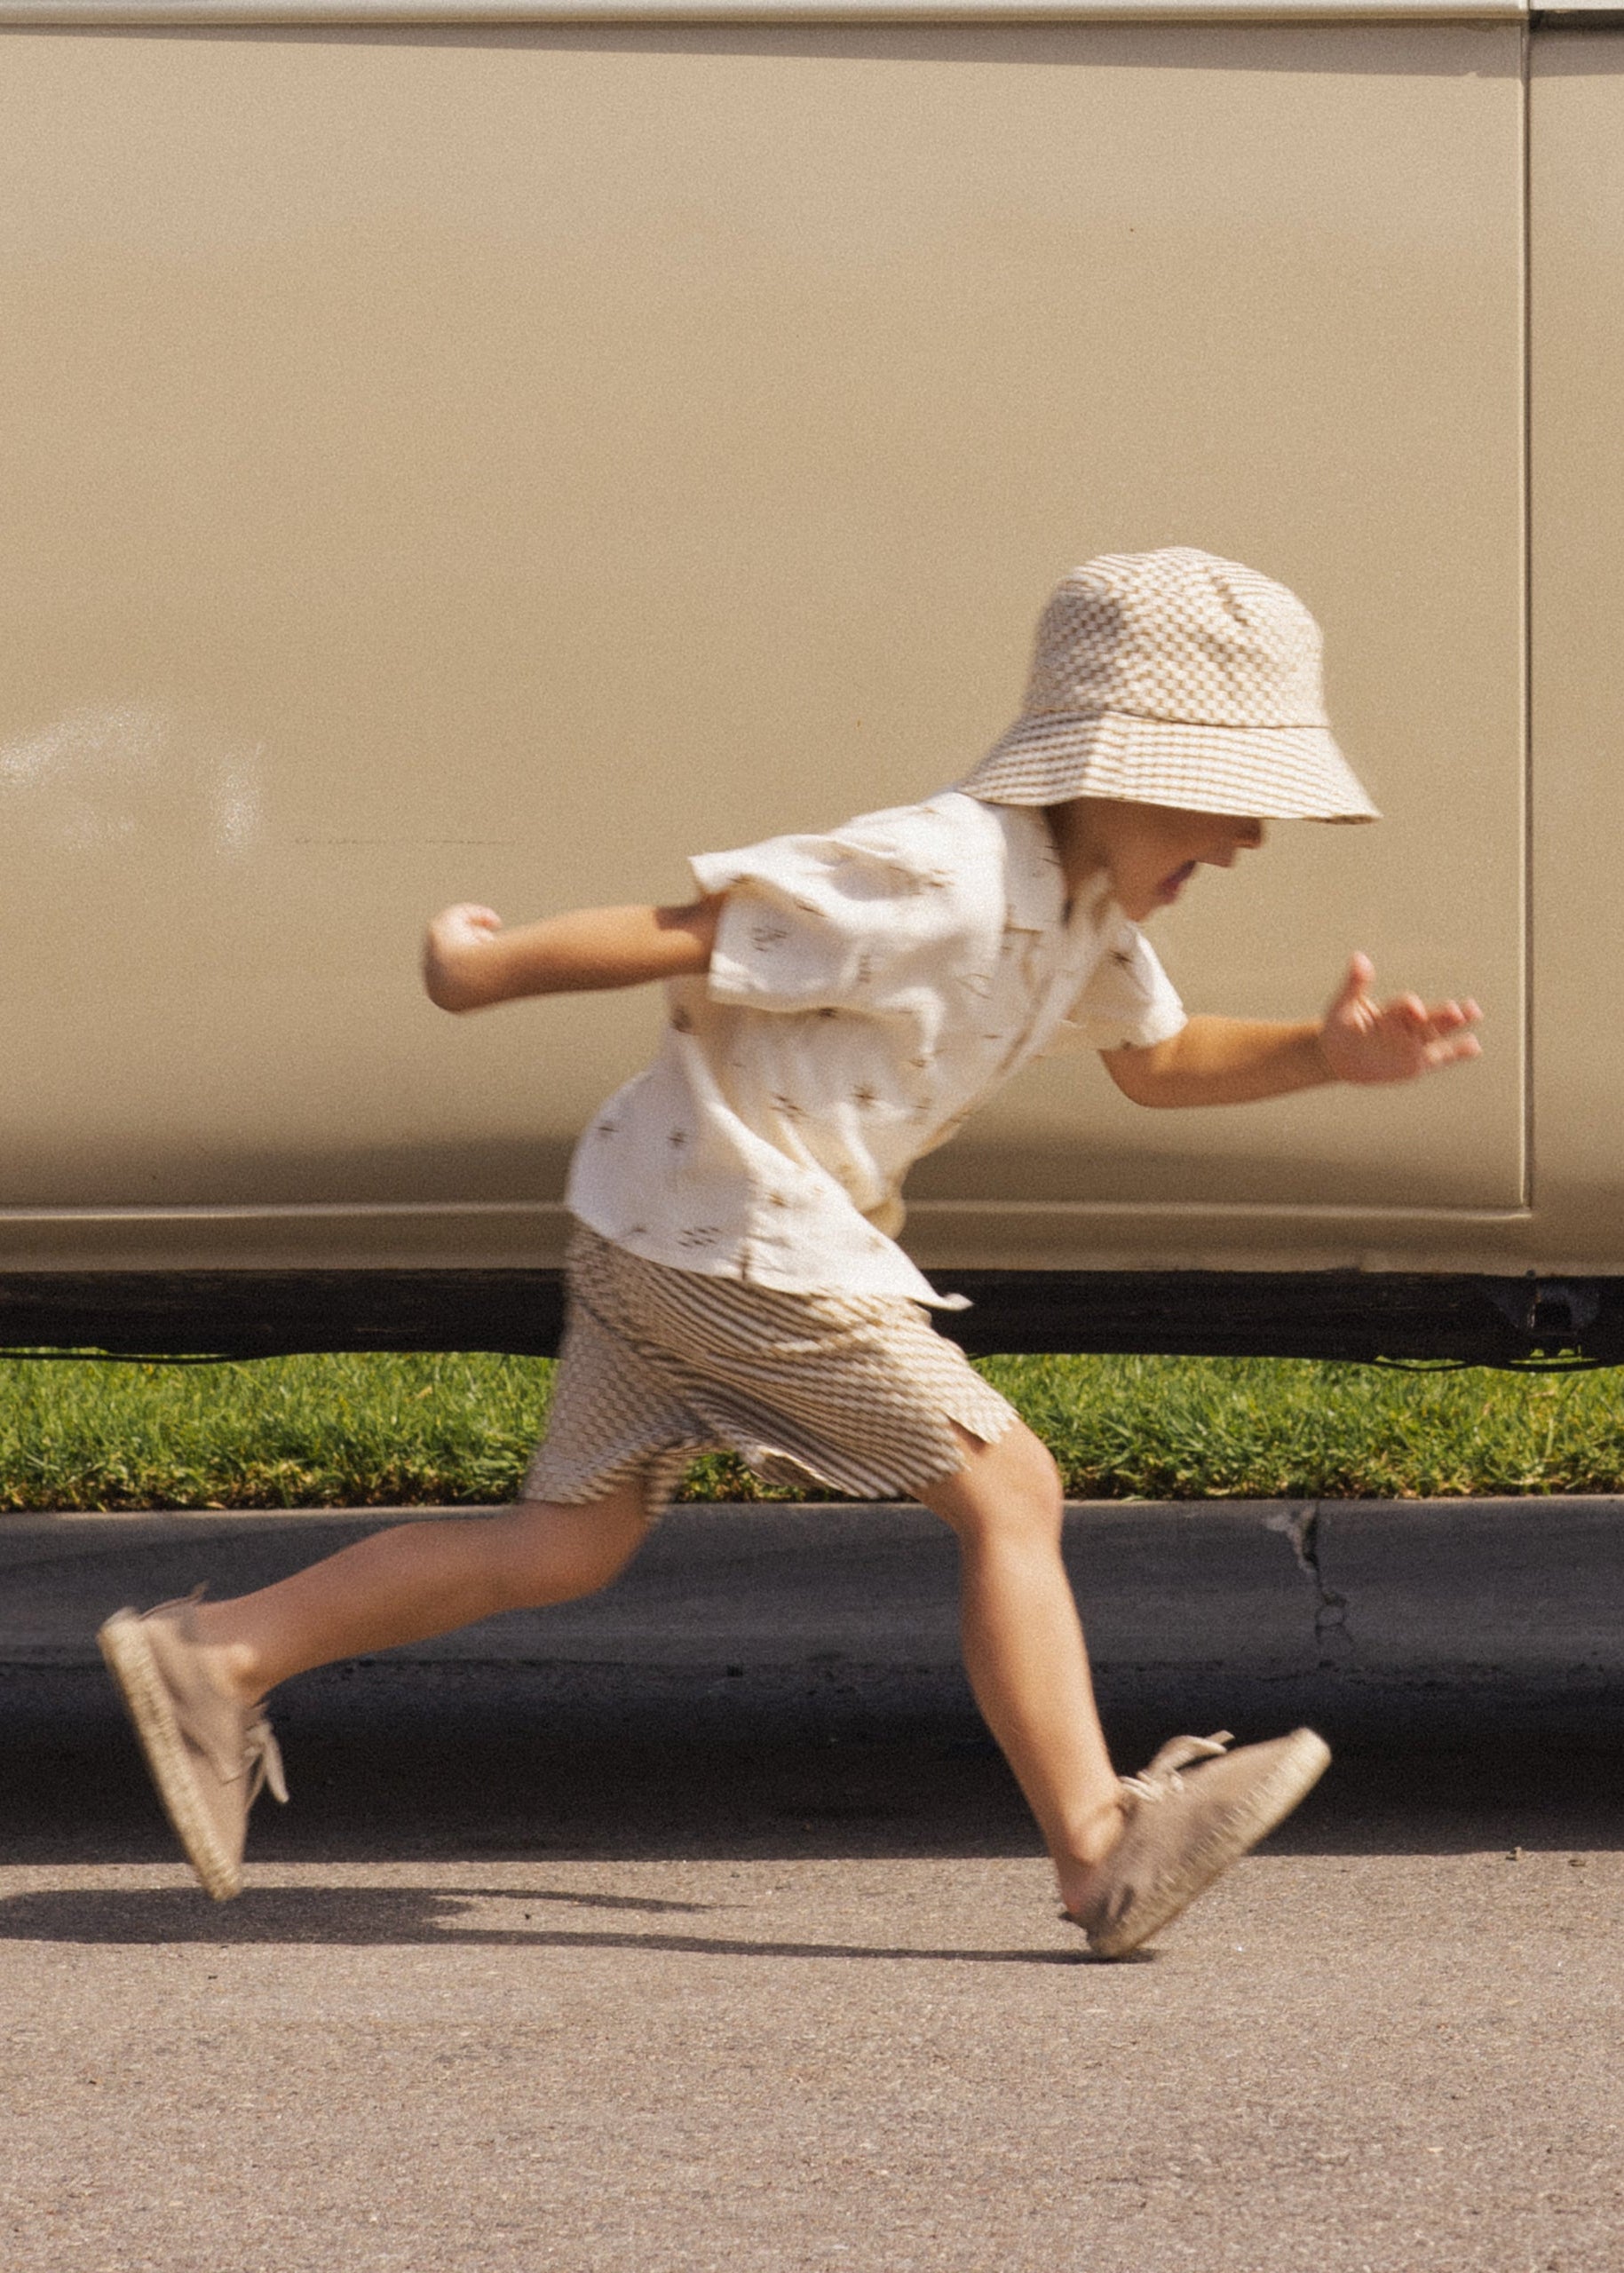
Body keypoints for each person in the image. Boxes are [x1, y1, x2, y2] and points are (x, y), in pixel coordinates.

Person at [99, 547, 1481, 1955]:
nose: (1248, 839)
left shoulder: (1083, 912)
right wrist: (478, 972)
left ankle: (221, 1655)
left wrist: (1323, 1054)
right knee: (1009, 1489)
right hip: (740, 1239)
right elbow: (695, 933)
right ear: (1111, 766)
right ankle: (1098, 1850)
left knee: (563, 1546)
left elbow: (1160, 1062)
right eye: (1228, 796)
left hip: (659, 1227)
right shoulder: (939, 872)